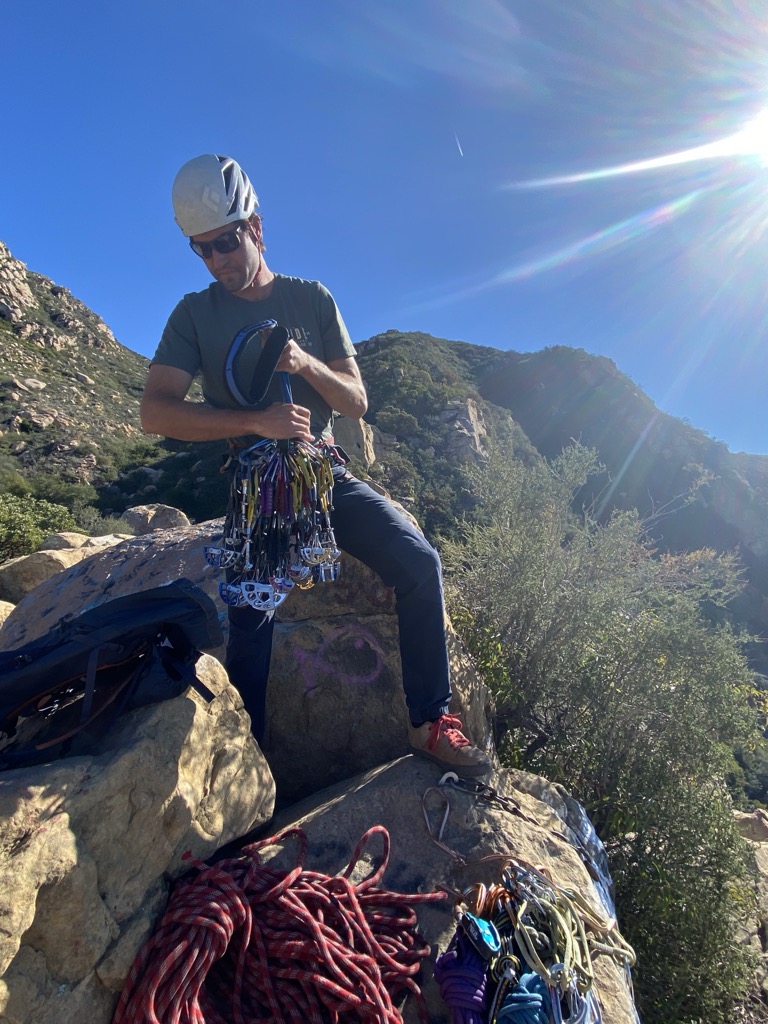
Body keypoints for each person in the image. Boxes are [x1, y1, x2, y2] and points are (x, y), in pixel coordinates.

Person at [141, 153, 491, 777]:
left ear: (255, 227)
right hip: (257, 483)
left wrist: (305, 365)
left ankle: (429, 723)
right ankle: (245, 773)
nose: (216, 261)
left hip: (323, 470)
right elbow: (156, 413)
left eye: (224, 242)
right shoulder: (194, 315)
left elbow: (356, 399)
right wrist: (254, 422)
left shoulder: (311, 298)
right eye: (201, 250)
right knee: (252, 623)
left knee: (418, 562)